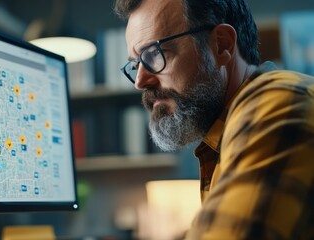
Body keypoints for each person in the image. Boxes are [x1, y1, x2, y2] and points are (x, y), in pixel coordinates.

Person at [114, 0, 314, 239]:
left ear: (222, 45)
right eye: (136, 64)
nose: (140, 81)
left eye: (154, 55)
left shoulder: (278, 104)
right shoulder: (229, 128)